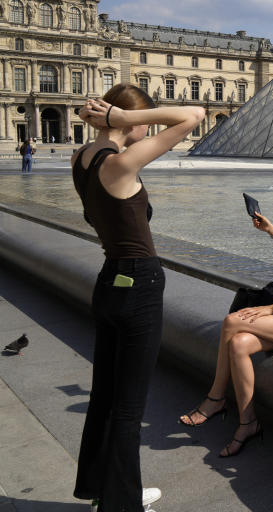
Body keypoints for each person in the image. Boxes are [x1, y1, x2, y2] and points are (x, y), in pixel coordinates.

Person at [71, 85, 204, 512]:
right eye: (144, 120)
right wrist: (121, 120)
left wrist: (114, 123)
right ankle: (123, 504)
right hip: (139, 287)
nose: (147, 128)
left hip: (109, 282)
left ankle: (102, 488)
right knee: (129, 409)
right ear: (127, 119)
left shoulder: (81, 160)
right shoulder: (122, 163)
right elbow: (194, 115)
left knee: (104, 398)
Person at [179, 178, 273, 458]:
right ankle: (248, 421)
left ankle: (215, 398)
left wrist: (271, 309)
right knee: (238, 344)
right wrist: (272, 230)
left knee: (232, 322)